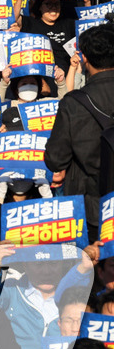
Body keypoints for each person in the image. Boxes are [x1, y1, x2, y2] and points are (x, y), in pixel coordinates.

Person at [47, 23, 114, 224]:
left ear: (84, 58)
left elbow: (55, 159)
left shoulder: (74, 102)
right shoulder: (74, 102)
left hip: (92, 206)